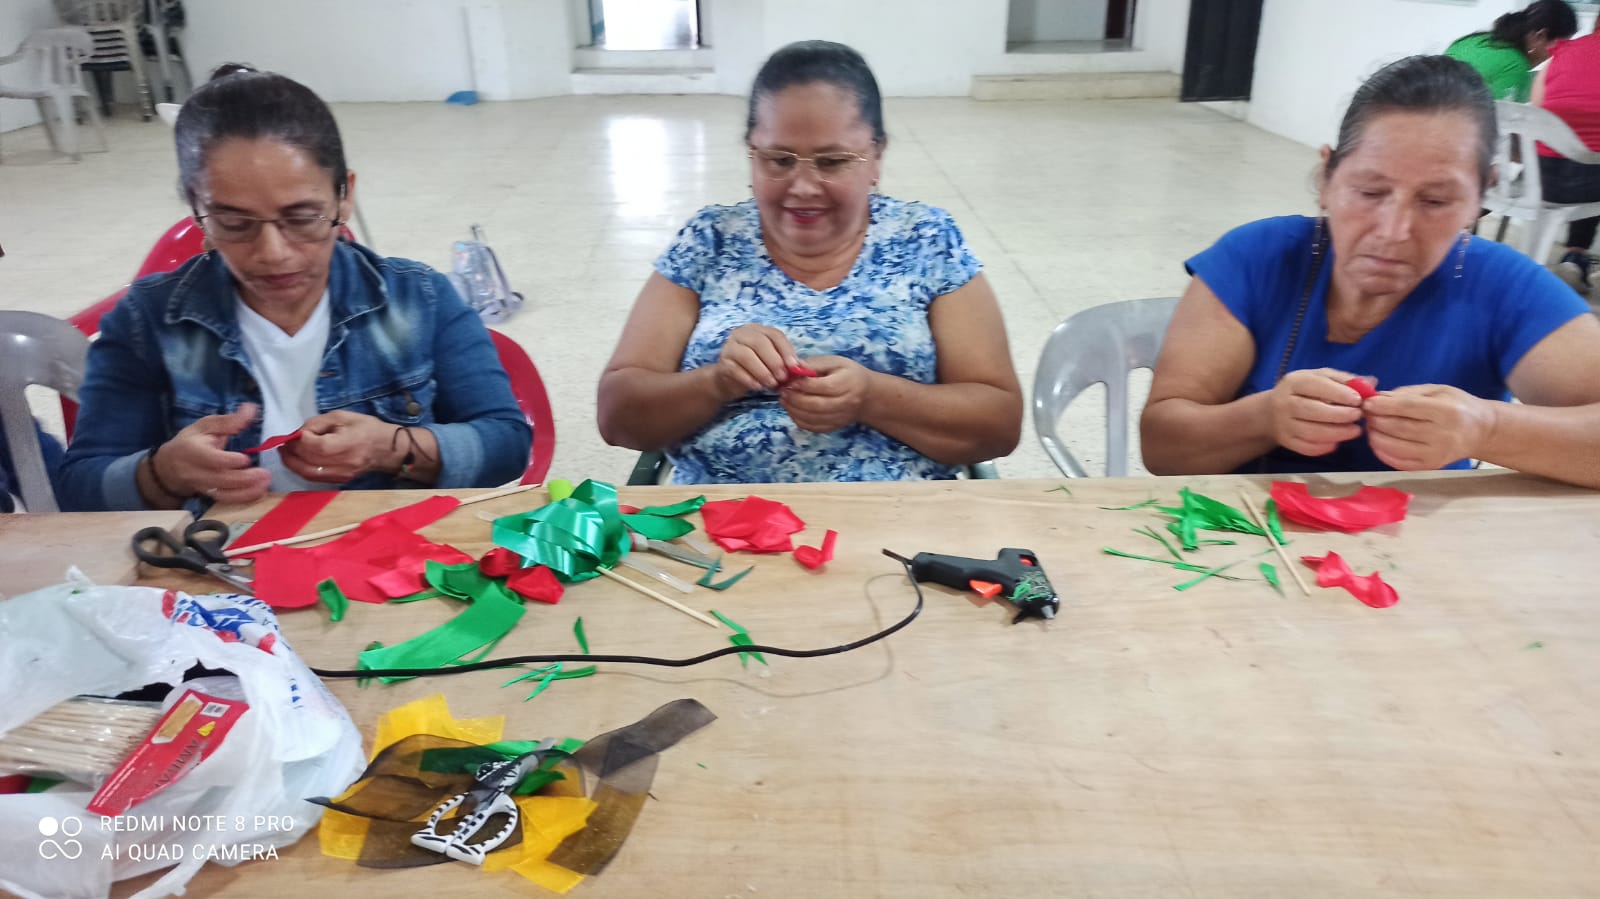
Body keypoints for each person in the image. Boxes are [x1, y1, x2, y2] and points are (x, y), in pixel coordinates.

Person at [58, 65, 531, 512]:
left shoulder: (419, 299)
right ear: (197, 211)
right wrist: (161, 474)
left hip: (388, 556)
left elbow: (508, 444)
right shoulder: (147, 320)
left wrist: (392, 447)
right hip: (220, 561)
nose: (274, 253)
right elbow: (80, 489)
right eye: (234, 223)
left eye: (302, 218)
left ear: (344, 196)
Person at [1141, 55, 1600, 488]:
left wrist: (1487, 428)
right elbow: (1163, 448)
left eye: (1435, 201)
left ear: (1480, 200)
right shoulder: (1256, 259)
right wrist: (1262, 419)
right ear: (1327, 179)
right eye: (1370, 192)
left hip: (1425, 542)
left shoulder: (1504, 288)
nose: (1394, 231)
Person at [596, 41, 1022, 483]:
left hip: (899, 516)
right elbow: (617, 416)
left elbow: (999, 424)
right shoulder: (710, 241)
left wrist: (872, 397)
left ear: (876, 156)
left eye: (832, 162)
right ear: (751, 152)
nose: (802, 187)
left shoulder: (926, 240)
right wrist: (718, 382)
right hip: (722, 517)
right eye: (779, 160)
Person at [1530, 22, 1600, 293]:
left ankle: (1575, 258)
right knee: (1590, 161)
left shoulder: (1563, 52)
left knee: (1586, 157)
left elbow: (1534, 111)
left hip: (1540, 178)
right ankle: (1576, 256)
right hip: (1587, 182)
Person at [1444, 0, 1577, 102]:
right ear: (1540, 36)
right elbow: (1504, 122)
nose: (1558, 54)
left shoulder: (1472, 40)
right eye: (1561, 45)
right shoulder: (1516, 67)